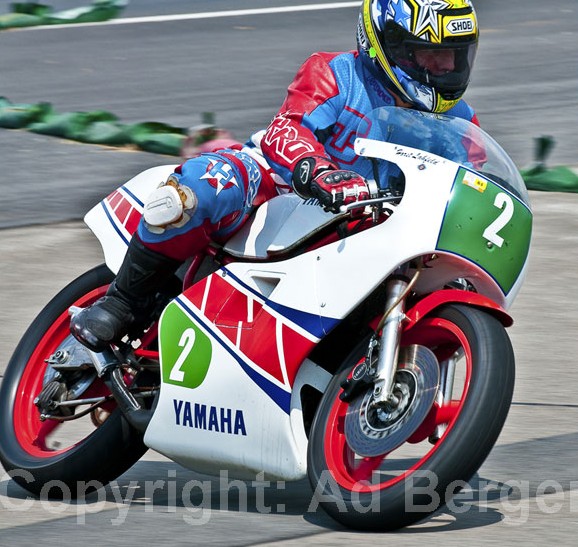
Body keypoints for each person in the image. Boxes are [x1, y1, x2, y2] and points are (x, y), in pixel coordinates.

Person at [71, 0, 480, 352]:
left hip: (367, 225)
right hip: (280, 189)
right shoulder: (336, 74)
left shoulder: (459, 122)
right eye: (429, 54)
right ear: (388, 45)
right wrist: (317, 169)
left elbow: (472, 184)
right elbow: (288, 128)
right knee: (202, 188)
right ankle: (121, 302)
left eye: (455, 55)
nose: (445, 66)